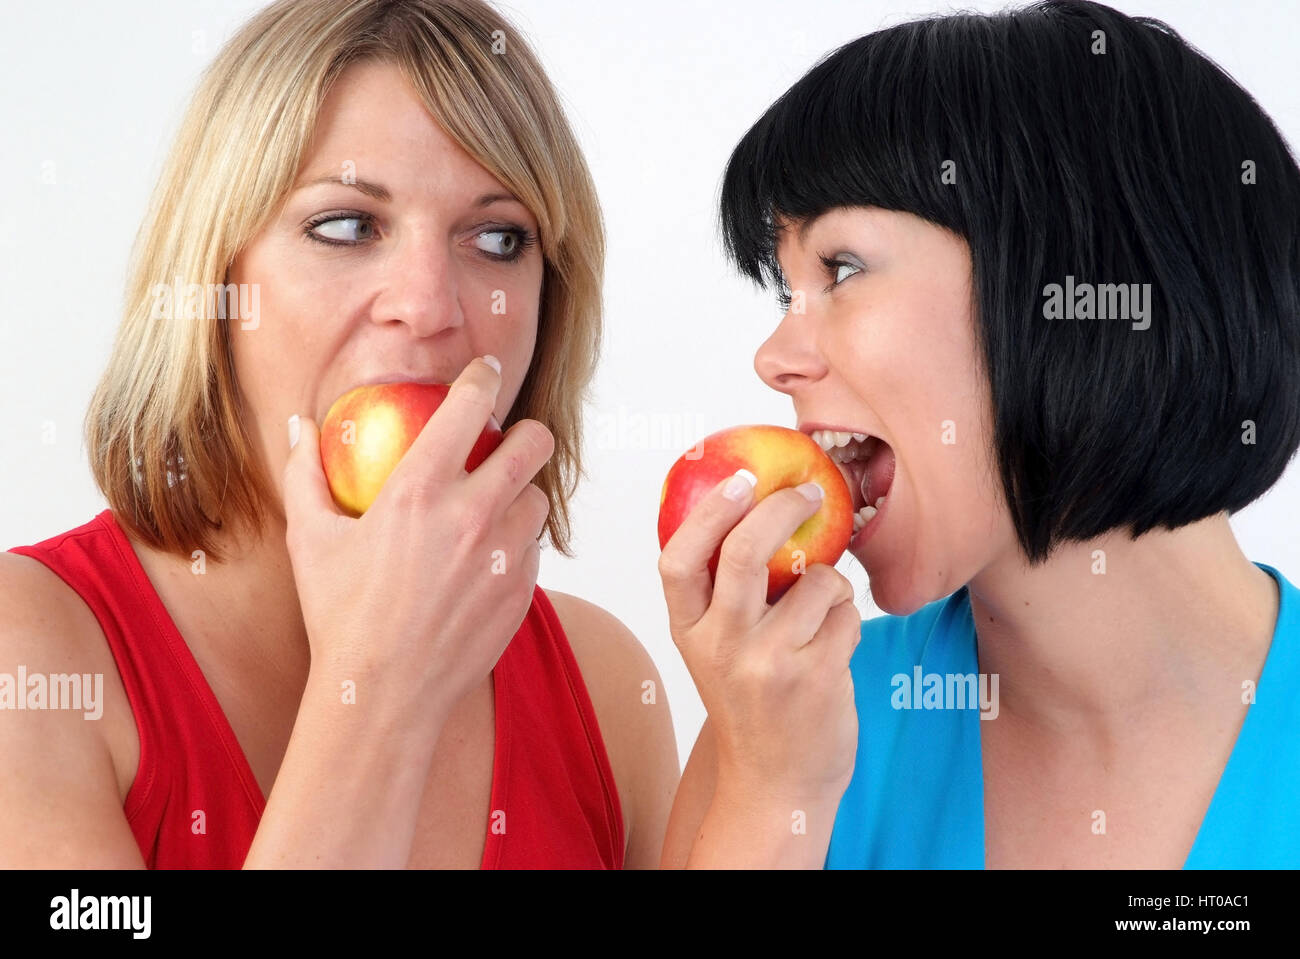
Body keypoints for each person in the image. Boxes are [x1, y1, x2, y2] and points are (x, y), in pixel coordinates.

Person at [1, 0, 678, 869]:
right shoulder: (38, 654)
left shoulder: (606, 682)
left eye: (499, 237)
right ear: (214, 279)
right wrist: (380, 692)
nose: (430, 308)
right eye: (348, 226)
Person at [659, 0, 1300, 868]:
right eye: (785, 291)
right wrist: (775, 800)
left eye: (840, 268)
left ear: (1072, 283)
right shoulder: (782, 730)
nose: (774, 357)